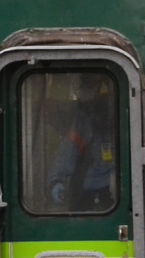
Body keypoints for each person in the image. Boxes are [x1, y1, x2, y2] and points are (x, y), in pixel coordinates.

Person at [47, 74, 117, 211]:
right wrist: (56, 180)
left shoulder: (127, 112)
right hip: (89, 195)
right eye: (83, 85)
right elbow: (68, 151)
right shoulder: (83, 118)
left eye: (90, 85)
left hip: (122, 194)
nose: (83, 89)